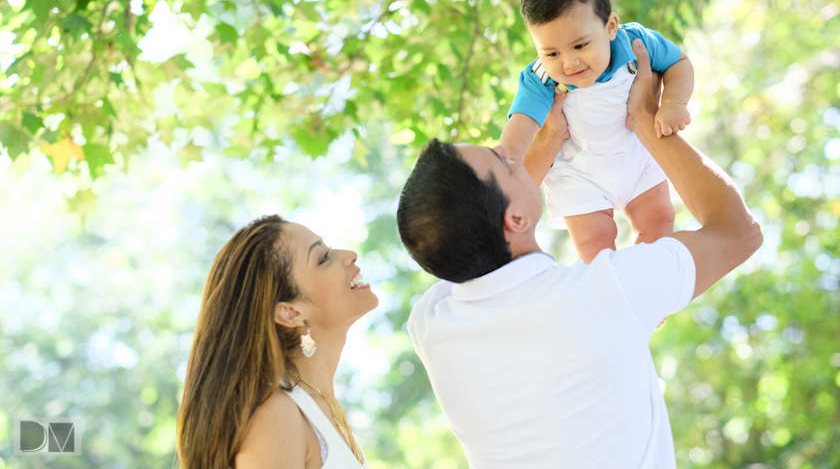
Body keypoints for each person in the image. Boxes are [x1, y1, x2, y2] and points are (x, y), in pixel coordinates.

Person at [397, 41, 762, 468]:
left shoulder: (434, 322)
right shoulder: (602, 295)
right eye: (504, 160)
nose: (515, 155)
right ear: (512, 220)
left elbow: (462, 233)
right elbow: (739, 233)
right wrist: (644, 119)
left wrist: (552, 137)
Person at [500, 0, 695, 263]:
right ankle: (612, 298)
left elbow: (679, 63)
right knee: (594, 247)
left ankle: (650, 290)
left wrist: (673, 103)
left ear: (611, 26)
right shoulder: (539, 79)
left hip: (637, 155)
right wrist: (503, 170)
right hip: (580, 174)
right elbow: (515, 139)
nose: (569, 63)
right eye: (551, 53)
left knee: (659, 224)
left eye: (580, 46)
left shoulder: (636, 42)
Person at [176, 215, 378, 469]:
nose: (349, 255)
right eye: (324, 258)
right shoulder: (277, 415)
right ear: (290, 312)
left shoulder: (321, 408)